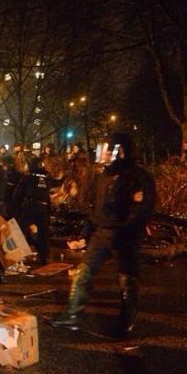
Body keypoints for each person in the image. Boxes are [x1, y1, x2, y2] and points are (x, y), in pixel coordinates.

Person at [52, 133, 156, 338]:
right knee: (83, 273)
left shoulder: (138, 177)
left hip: (126, 236)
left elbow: (143, 208)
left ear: (122, 151)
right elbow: (96, 207)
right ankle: (72, 315)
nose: (105, 155)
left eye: (109, 151)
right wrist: (87, 232)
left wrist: (127, 228)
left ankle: (126, 322)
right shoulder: (104, 176)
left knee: (127, 280)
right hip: (102, 234)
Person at [12, 154, 52, 265]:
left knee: (20, 228)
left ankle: (20, 252)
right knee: (43, 232)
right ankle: (44, 255)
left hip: (31, 206)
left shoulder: (27, 177)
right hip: (43, 207)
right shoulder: (47, 177)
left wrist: (18, 206)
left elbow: (17, 195)